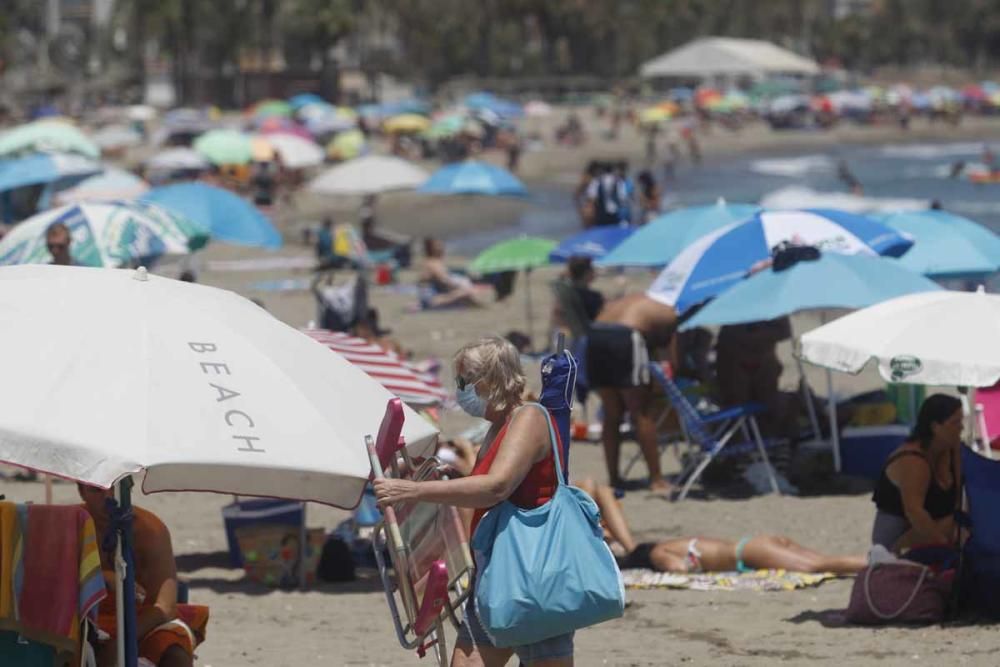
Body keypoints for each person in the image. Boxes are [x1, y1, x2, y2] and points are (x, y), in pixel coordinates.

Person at [373, 337, 573, 666]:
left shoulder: (529, 419)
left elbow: (496, 487)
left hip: (532, 573)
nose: (460, 389)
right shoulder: (498, 427)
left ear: (492, 380)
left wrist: (413, 491)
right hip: (498, 572)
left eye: (465, 380)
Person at [573, 479, 864, 574]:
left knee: (819, 566)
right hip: (752, 543)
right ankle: (873, 561)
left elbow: (679, 569)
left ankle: (874, 563)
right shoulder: (664, 544)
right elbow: (593, 485)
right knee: (820, 561)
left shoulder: (658, 554)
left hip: (748, 552)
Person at [78, 484, 204, 667]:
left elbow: (164, 607)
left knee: (176, 653)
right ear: (82, 492)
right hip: (86, 619)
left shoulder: (150, 530)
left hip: (142, 620)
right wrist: (103, 578)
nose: (108, 496)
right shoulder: (71, 526)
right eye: (97, 490)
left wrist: (122, 641)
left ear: (127, 488)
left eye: (115, 488)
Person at [587, 293, 677, 492]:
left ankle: (614, 478)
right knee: (641, 412)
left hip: (594, 334)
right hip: (625, 336)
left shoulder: (636, 297)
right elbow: (672, 357)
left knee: (612, 414)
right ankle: (657, 480)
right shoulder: (671, 309)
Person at [871, 394, 963, 553]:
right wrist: (944, 546)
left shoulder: (952, 449)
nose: (961, 427)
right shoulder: (913, 460)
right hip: (896, 535)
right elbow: (914, 512)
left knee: (960, 524)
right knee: (953, 526)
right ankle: (824, 563)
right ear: (935, 426)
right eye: (955, 423)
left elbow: (958, 497)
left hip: (930, 528)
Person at [418, 237, 485, 309]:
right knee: (467, 291)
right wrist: (461, 286)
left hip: (431, 298)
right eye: (438, 246)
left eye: (441, 245)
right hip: (432, 300)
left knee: (466, 291)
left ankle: (474, 303)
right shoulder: (433, 263)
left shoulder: (433, 262)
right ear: (431, 248)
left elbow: (444, 282)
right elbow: (445, 281)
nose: (442, 248)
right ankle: (475, 304)